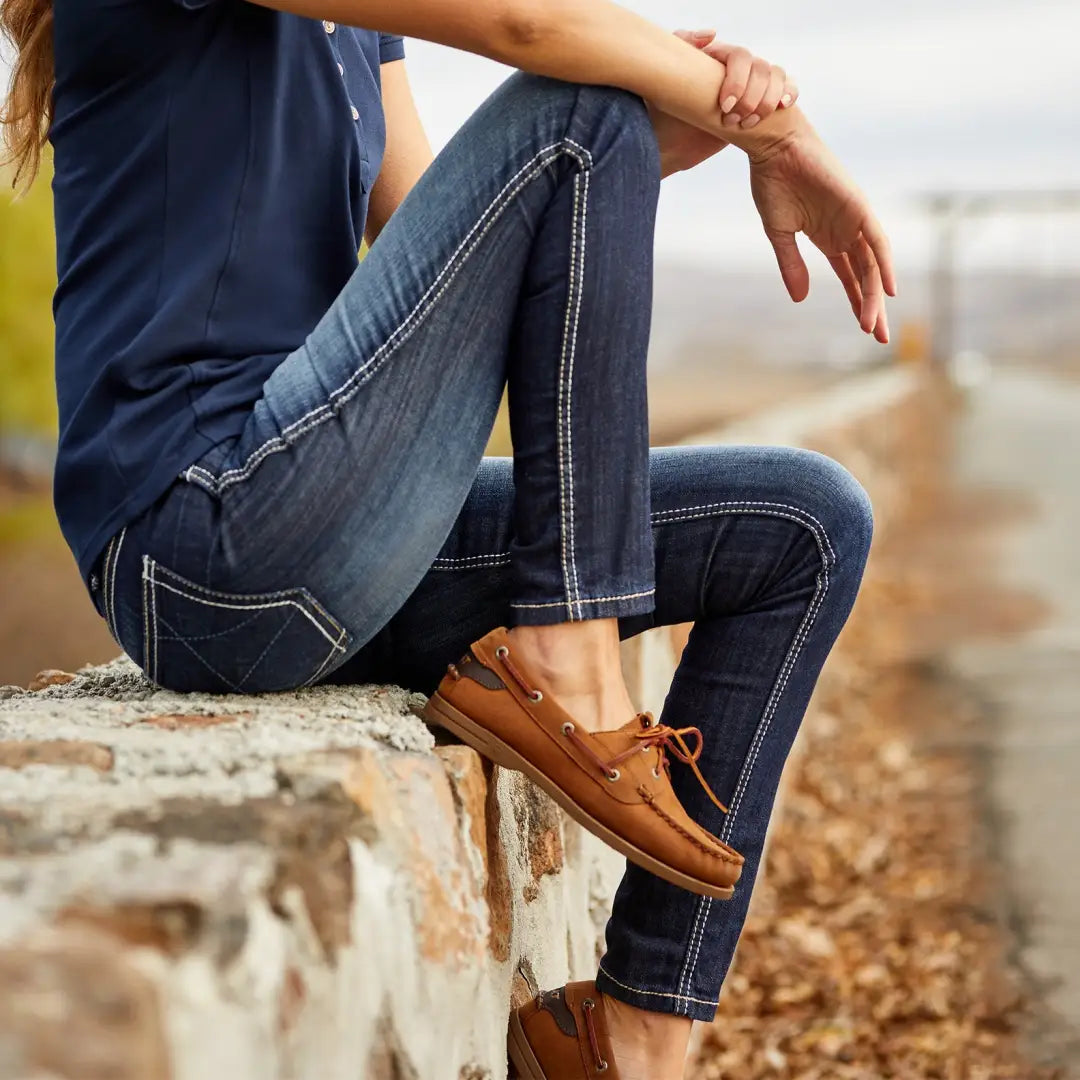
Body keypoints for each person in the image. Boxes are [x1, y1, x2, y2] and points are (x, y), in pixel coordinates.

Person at [1, 1, 894, 1076]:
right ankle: (566, 665)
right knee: (578, 108)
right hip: (205, 542)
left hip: (322, 525)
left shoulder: (359, 36)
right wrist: (774, 125)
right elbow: (527, 29)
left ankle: (636, 1037)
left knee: (807, 524)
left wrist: (674, 122)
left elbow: (447, 232)